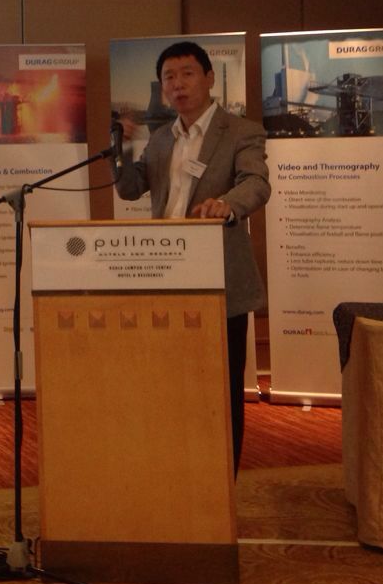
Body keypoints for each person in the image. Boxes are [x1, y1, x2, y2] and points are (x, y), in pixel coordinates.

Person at [114, 40, 270, 474]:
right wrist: (121, 148)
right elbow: (130, 189)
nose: (178, 84)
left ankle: (222, 482)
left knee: (221, 388)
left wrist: (228, 204)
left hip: (218, 279)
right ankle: (178, 474)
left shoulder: (241, 131)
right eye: (169, 77)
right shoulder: (162, 138)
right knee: (170, 384)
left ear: (209, 78)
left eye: (186, 74)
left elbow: (257, 182)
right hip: (166, 278)